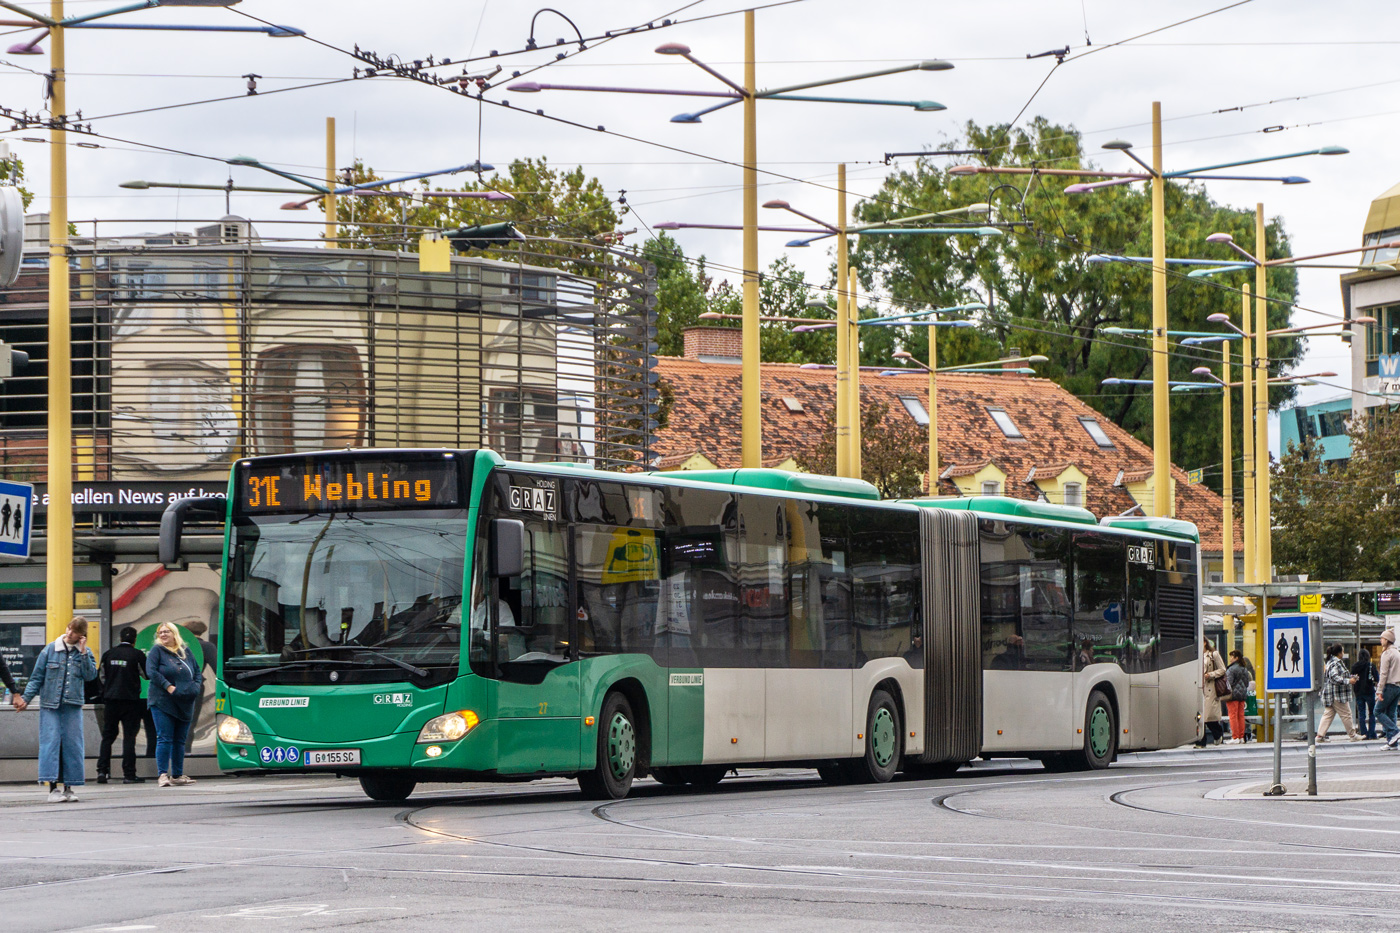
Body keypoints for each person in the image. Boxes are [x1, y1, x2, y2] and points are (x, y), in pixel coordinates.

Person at [19, 618, 98, 802]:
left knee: (73, 745)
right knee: (50, 744)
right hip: (50, 705)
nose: (70, 633)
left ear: (82, 635)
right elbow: (37, 677)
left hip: (72, 705)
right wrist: (26, 699)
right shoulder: (50, 650)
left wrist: (84, 652)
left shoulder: (85, 653)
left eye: (75, 632)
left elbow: (90, 675)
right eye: (69, 629)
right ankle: (53, 789)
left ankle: (69, 787)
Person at [146, 622, 203, 787]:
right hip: (163, 701)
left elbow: (197, 672)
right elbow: (152, 672)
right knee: (164, 738)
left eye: (166, 631)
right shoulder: (157, 651)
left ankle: (177, 775)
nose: (163, 635)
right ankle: (162, 775)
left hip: (185, 700)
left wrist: (195, 687)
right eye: (160, 632)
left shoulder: (185, 651)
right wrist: (168, 686)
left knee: (180, 740)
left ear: (174, 634)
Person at [96, 626, 148, 784]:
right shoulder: (137, 655)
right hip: (131, 701)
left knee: (108, 737)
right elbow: (147, 675)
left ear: (120, 638)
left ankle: (102, 772)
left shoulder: (108, 654)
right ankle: (129, 775)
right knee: (129, 738)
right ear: (135, 639)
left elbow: (101, 677)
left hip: (111, 701)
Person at [1316, 644, 1362, 742]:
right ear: (1339, 653)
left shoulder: (1330, 662)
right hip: (1337, 694)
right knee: (1346, 714)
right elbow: (1334, 677)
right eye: (1343, 651)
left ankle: (1320, 736)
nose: (1343, 653)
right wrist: (1348, 681)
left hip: (1331, 694)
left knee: (1328, 714)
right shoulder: (1336, 663)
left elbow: (1336, 676)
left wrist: (1351, 677)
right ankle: (1353, 735)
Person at [1196, 638, 1227, 747]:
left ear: (1204, 643)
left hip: (1211, 688)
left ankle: (1217, 734)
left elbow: (1223, 669)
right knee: (1199, 716)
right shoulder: (1196, 656)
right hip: (1199, 688)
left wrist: (1211, 674)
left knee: (1208, 717)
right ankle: (1201, 741)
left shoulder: (1213, 654)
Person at [1376, 629, 1400, 750]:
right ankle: (1392, 742)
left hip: (1389, 686)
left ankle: (1395, 731)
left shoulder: (1387, 654)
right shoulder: (1397, 653)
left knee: (1377, 711)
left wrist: (1379, 690)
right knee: (1391, 712)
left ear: (1387, 640)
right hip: (1398, 687)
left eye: (1382, 638)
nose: (1380, 640)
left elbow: (1383, 674)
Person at [1225, 649, 1251, 744]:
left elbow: (1228, 683)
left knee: (1233, 715)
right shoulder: (1244, 668)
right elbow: (1247, 683)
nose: (1230, 659)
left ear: (1236, 658)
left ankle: (1235, 737)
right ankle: (1241, 736)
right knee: (1241, 716)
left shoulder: (1231, 669)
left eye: (1232, 657)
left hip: (1233, 695)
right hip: (1242, 695)